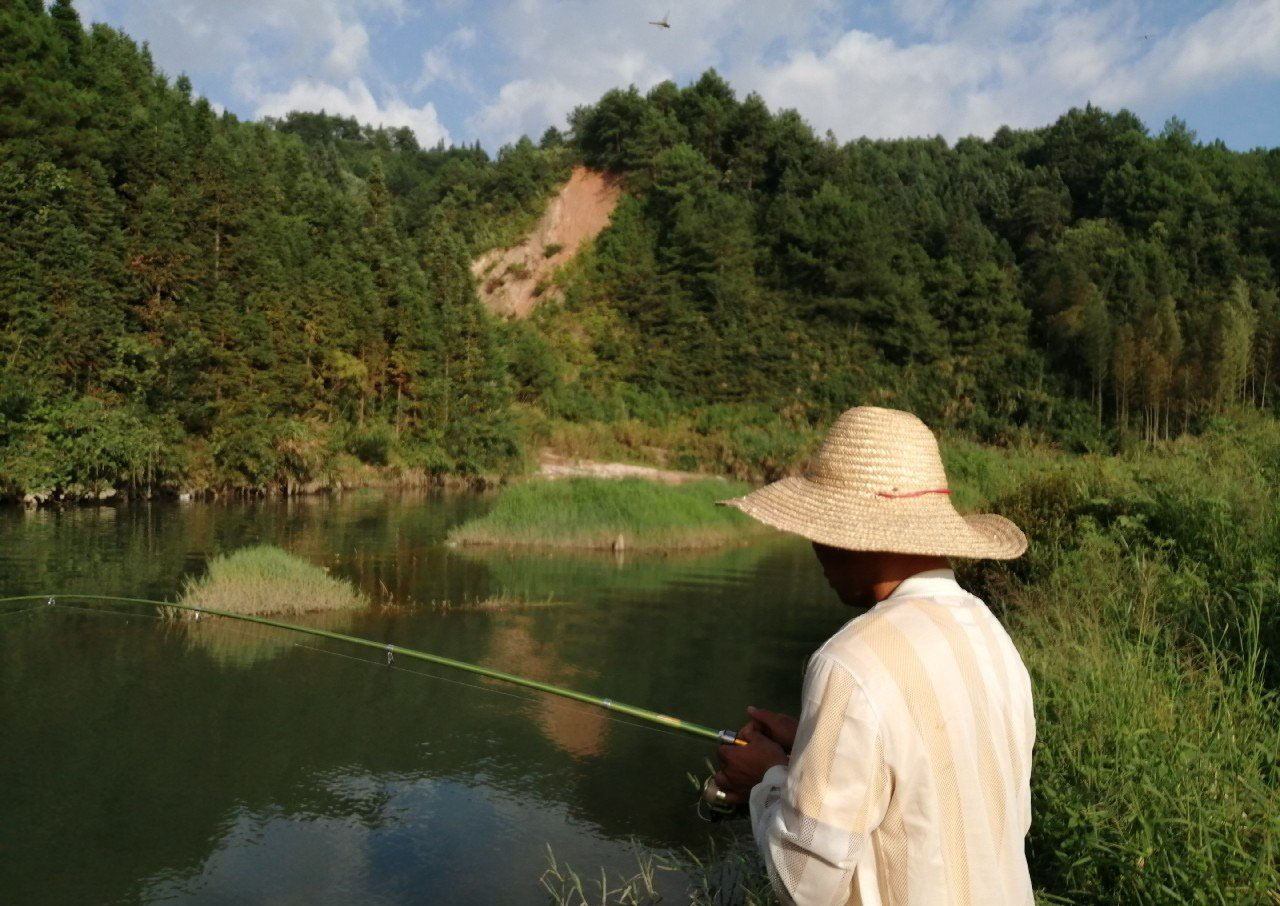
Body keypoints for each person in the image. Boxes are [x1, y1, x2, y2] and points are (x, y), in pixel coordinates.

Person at [713, 406, 1034, 906]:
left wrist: (767, 780)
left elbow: (806, 884)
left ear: (849, 536)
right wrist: (812, 751)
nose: (814, 546)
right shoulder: (991, 637)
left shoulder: (849, 662)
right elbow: (965, 800)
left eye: (818, 527)